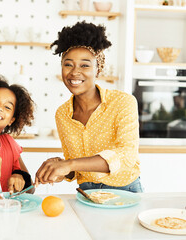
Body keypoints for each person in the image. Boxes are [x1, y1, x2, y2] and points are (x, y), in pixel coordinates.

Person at [35, 21, 143, 193]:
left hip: (125, 191)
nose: (74, 72)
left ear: (98, 69)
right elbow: (76, 166)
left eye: (85, 65)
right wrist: (60, 169)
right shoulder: (63, 114)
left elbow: (126, 156)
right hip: (86, 192)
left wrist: (69, 164)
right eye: (68, 64)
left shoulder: (123, 102)